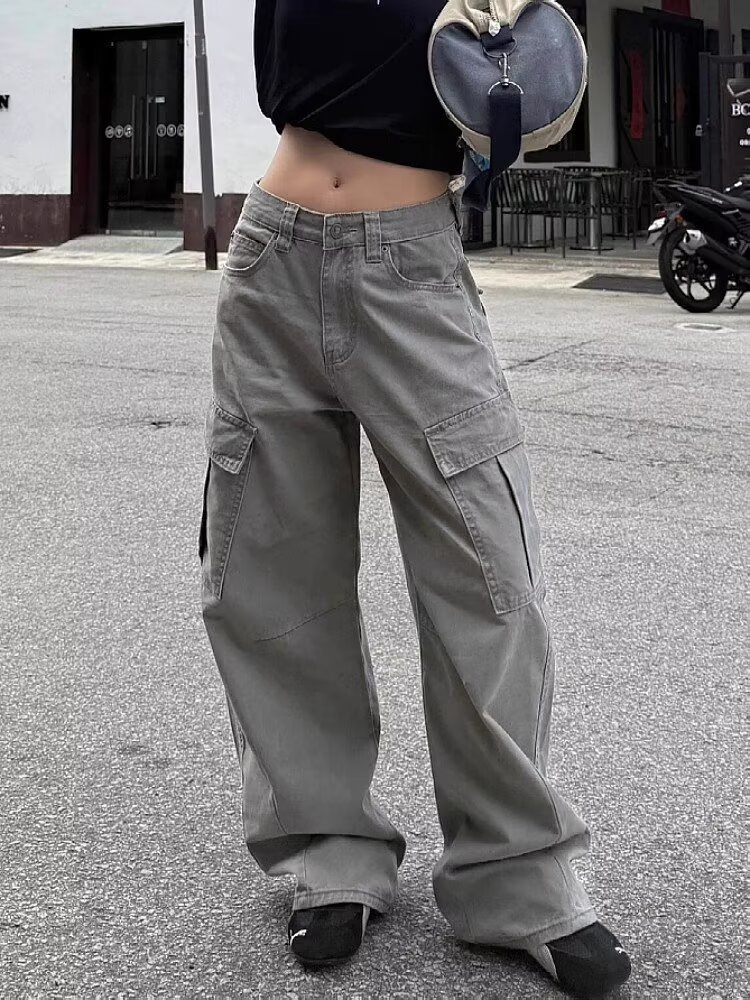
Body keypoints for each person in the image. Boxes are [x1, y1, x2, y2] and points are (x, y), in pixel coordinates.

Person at [198, 2, 632, 996]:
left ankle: (515, 876)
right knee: (270, 571)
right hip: (271, 256)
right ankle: (328, 853)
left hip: (410, 262)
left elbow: (525, 82)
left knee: (489, 570)